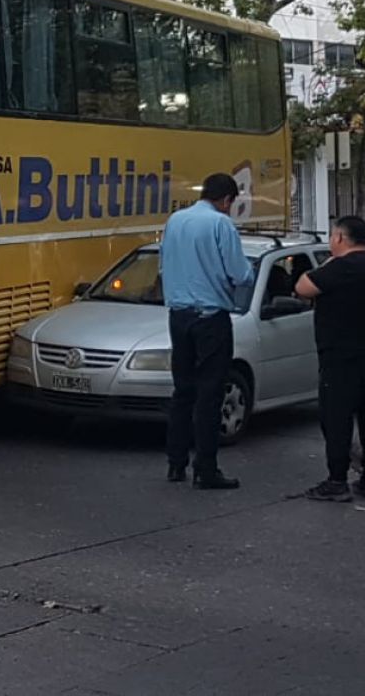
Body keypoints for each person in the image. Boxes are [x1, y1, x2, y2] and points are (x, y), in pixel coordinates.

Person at [158, 172, 256, 490]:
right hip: (210, 317)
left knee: (182, 391)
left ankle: (176, 463)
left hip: (178, 316)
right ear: (226, 200)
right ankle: (206, 468)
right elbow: (239, 273)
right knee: (210, 393)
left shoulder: (175, 220)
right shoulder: (220, 225)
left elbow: (163, 264)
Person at [295, 215, 365, 502]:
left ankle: (337, 480)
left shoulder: (340, 268)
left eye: (332, 236)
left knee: (337, 416)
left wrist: (327, 264)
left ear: (340, 237)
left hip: (341, 355)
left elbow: (303, 287)